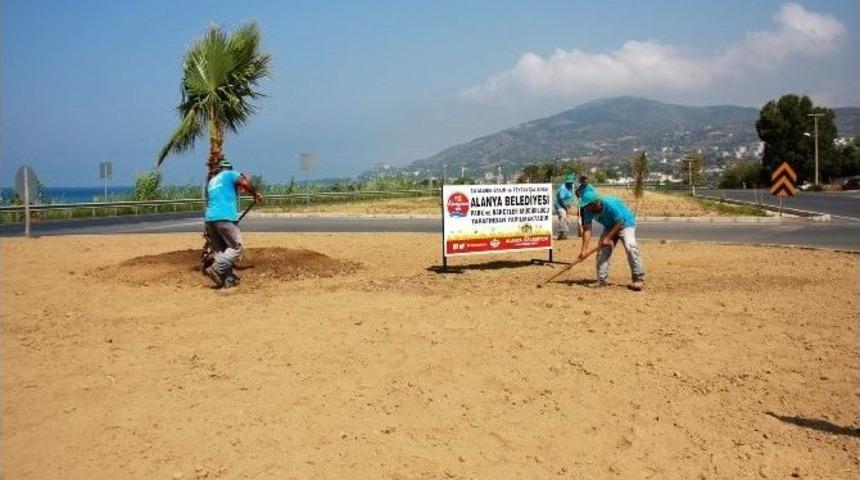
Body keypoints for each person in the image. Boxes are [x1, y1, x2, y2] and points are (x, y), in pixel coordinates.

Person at [203, 158, 262, 289]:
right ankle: (216, 268)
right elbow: (245, 183)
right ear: (229, 168)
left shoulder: (213, 181)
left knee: (222, 250)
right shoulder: (231, 174)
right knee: (236, 247)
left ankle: (227, 280)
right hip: (224, 217)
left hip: (210, 219)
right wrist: (255, 193)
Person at [577, 188, 645, 291]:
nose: (585, 207)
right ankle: (601, 279)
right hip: (610, 226)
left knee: (630, 246)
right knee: (602, 251)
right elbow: (587, 229)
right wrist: (584, 250)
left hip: (625, 223)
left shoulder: (610, 203)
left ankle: (638, 279)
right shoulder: (587, 210)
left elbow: (621, 221)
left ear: (595, 203)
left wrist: (608, 237)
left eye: (587, 205)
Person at [555, 174, 576, 240]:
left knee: (567, 219)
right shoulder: (563, 188)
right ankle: (561, 233)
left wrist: (569, 206)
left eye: (571, 182)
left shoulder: (571, 187)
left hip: (567, 205)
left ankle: (564, 233)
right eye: (569, 182)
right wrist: (566, 208)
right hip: (559, 204)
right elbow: (562, 200)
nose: (570, 183)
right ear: (566, 182)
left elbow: (570, 197)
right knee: (563, 216)